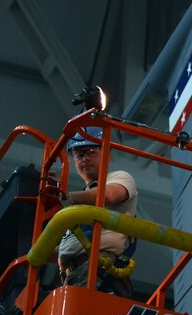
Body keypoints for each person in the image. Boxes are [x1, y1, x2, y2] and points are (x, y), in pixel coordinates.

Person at [58, 126, 138, 297]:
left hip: (101, 268)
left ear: (107, 155)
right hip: (73, 275)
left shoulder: (120, 178)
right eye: (79, 155)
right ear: (74, 162)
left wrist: (64, 196)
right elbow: (68, 247)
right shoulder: (78, 204)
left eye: (90, 152)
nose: (85, 159)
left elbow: (108, 196)